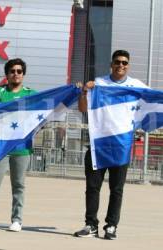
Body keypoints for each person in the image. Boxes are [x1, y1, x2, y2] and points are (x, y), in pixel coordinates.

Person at [74, 50, 148, 240]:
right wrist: (84, 92)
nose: (121, 65)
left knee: (116, 189)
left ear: (128, 65)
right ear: (111, 64)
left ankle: (111, 226)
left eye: (124, 63)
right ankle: (90, 224)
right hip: (98, 145)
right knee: (92, 187)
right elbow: (83, 109)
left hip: (121, 146)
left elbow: (152, 101)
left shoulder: (136, 85)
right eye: (117, 62)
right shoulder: (98, 84)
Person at [0, 58, 36, 232]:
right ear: (7, 75)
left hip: (22, 147)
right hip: (0, 147)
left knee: (18, 185)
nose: (15, 74)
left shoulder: (31, 94)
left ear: (23, 74)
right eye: (12, 71)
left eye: (19, 71)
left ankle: (17, 220)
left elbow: (40, 116)